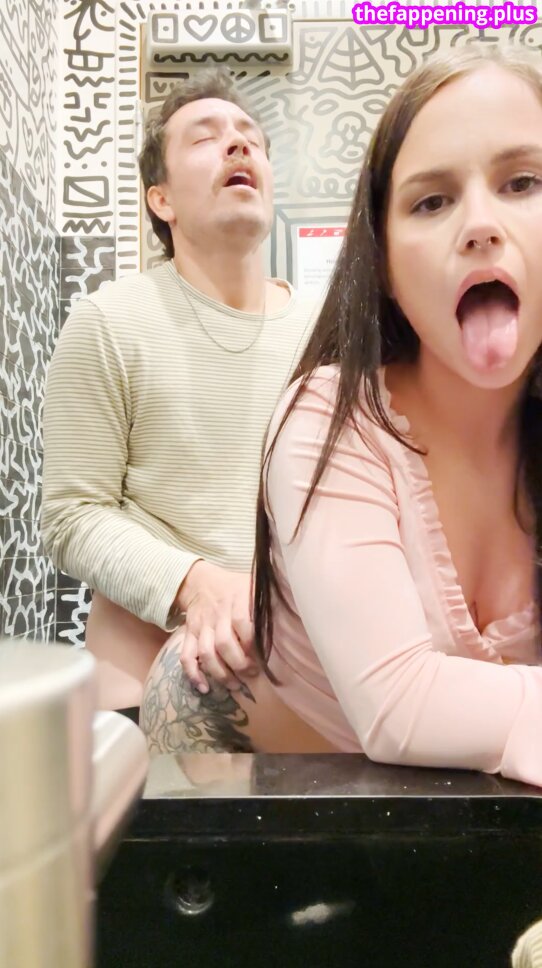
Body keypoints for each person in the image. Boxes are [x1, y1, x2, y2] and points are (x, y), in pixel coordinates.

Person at [141, 44, 542, 788]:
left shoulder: (297, 322)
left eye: (522, 182)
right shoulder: (120, 325)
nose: (481, 224)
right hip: (232, 718)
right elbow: (72, 511)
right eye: (431, 201)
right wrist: (196, 581)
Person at [41, 68, 317, 716]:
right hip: (145, 676)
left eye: (250, 136)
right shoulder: (107, 322)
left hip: (303, 678)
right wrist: (195, 586)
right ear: (160, 199)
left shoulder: (326, 332)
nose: (238, 143)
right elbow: (71, 515)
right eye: (204, 136)